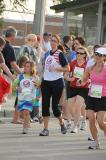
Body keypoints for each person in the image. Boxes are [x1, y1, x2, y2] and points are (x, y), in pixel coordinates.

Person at [39, 34, 69, 136]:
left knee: (54, 107)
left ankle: (62, 123)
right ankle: (45, 129)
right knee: (45, 105)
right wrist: (42, 79)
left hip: (57, 82)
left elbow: (67, 68)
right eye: (51, 41)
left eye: (55, 41)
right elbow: (44, 68)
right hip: (46, 82)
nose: (52, 42)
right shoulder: (47, 53)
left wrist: (56, 69)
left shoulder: (60, 54)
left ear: (58, 43)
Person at [83, 47, 106, 149]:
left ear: (104, 57)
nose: (97, 56)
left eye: (100, 55)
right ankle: (96, 142)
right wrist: (81, 80)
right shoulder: (90, 68)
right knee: (91, 119)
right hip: (91, 96)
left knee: (101, 122)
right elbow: (83, 79)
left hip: (103, 97)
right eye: (96, 54)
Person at [64, 47, 89, 133]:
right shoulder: (73, 63)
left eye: (81, 53)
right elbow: (66, 74)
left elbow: (91, 78)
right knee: (70, 107)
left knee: (78, 105)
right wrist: (69, 79)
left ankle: (75, 126)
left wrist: (84, 81)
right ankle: (80, 119)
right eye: (77, 53)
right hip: (73, 87)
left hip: (83, 88)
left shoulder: (87, 65)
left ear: (85, 55)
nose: (79, 54)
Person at [13, 61, 40, 134]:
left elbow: (39, 86)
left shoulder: (35, 77)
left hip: (30, 98)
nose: (25, 68)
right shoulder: (20, 76)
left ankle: (25, 127)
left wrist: (38, 96)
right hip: (21, 98)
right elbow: (14, 85)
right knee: (22, 114)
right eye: (25, 66)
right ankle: (27, 121)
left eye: (28, 66)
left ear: (31, 68)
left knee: (26, 112)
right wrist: (16, 89)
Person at [12, 56, 29, 124]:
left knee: (18, 104)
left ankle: (16, 118)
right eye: (27, 62)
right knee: (18, 104)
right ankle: (16, 119)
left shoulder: (19, 69)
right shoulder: (22, 70)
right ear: (23, 62)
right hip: (21, 89)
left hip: (19, 88)